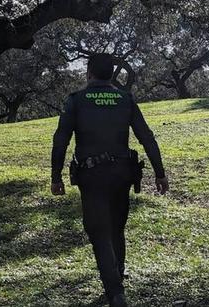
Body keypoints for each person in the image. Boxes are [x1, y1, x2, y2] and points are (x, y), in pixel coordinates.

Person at [50, 53, 169, 307]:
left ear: (89, 73)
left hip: (91, 175)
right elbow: (146, 137)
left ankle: (115, 291)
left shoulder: (76, 101)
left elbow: (61, 139)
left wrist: (56, 176)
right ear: (111, 74)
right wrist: (160, 173)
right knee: (116, 226)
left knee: (99, 232)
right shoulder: (125, 99)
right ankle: (118, 273)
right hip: (122, 173)